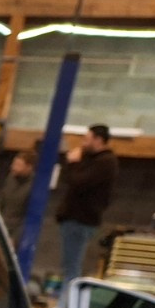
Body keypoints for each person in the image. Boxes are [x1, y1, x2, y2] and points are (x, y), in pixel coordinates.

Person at [55, 123, 119, 287]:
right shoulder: (91, 160)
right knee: (68, 265)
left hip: (81, 220)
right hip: (73, 218)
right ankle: (67, 298)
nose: (83, 143)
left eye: (86, 139)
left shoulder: (106, 162)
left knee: (71, 267)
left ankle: (68, 300)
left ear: (98, 140)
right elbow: (70, 180)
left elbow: (79, 183)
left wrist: (73, 163)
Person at [0, 149, 36, 238]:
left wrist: (15, 238)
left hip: (15, 231)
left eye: (18, 165)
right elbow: (1, 200)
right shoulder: (11, 178)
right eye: (14, 164)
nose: (13, 167)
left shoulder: (34, 187)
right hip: (0, 225)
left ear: (29, 167)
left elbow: (29, 218)